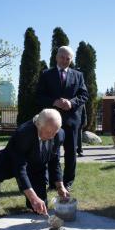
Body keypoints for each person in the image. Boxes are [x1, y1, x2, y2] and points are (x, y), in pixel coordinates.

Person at [0, 109, 70, 218]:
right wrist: (32, 196)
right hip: (11, 161)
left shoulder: (59, 134)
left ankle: (30, 203)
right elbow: (19, 168)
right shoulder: (23, 134)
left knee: (39, 208)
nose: (52, 136)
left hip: (36, 167)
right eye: (49, 132)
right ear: (38, 125)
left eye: (55, 132)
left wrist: (60, 186)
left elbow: (54, 160)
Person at [36, 46, 89, 190]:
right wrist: (54, 102)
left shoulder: (78, 75)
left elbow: (84, 95)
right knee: (52, 153)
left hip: (72, 121)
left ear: (71, 60)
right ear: (56, 57)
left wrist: (71, 103)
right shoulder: (46, 74)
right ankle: (53, 182)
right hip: (51, 122)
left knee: (71, 153)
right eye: (62, 57)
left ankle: (68, 182)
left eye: (68, 58)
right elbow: (39, 96)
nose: (65, 60)